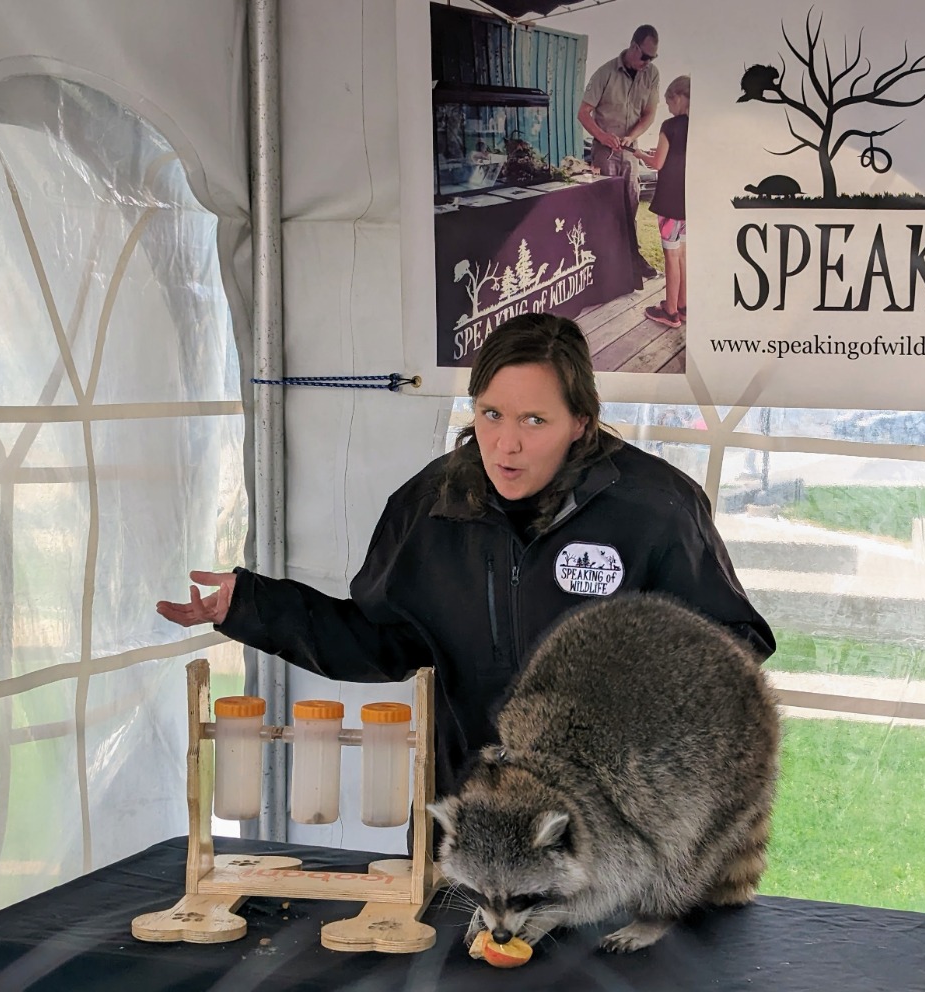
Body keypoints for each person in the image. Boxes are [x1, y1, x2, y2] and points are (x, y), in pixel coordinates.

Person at [156, 313, 774, 801]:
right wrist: (253, 605)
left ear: (581, 422)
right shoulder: (432, 504)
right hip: (468, 809)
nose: (506, 444)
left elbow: (732, 646)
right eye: (491, 414)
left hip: (612, 823)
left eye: (535, 420)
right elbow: (381, 640)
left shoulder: (656, 509)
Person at [577, 25, 661, 284]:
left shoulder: (652, 74)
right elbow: (583, 113)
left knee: (630, 208)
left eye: (653, 58)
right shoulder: (605, 72)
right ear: (634, 47)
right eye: (645, 56)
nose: (648, 63)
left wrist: (632, 136)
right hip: (604, 152)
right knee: (605, 209)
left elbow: (649, 114)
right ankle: (603, 265)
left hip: (630, 152)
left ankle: (632, 259)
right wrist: (602, 136)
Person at [633, 75, 689, 329]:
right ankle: (684, 305)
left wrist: (639, 153)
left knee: (670, 255)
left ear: (679, 97)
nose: (668, 108)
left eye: (669, 102)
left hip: (669, 202)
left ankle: (670, 311)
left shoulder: (670, 125)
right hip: (689, 202)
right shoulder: (698, 126)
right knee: (684, 254)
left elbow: (657, 165)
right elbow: (677, 156)